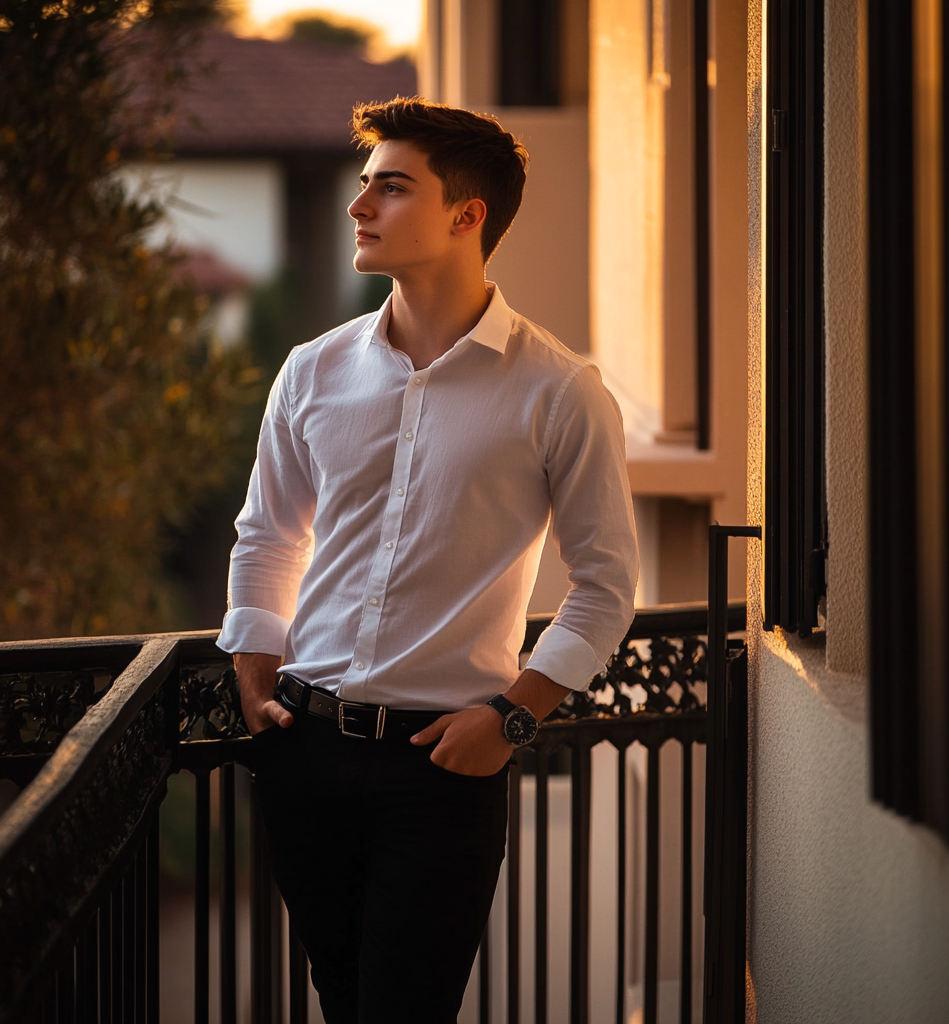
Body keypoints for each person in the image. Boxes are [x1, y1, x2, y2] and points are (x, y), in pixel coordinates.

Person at [216, 97, 639, 1024]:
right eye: (364, 185)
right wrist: (254, 674)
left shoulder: (559, 390)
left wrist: (513, 720)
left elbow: (606, 587)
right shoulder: (311, 370)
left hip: (442, 767)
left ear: (466, 215)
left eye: (392, 187)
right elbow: (270, 534)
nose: (360, 206)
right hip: (306, 749)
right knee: (343, 1000)